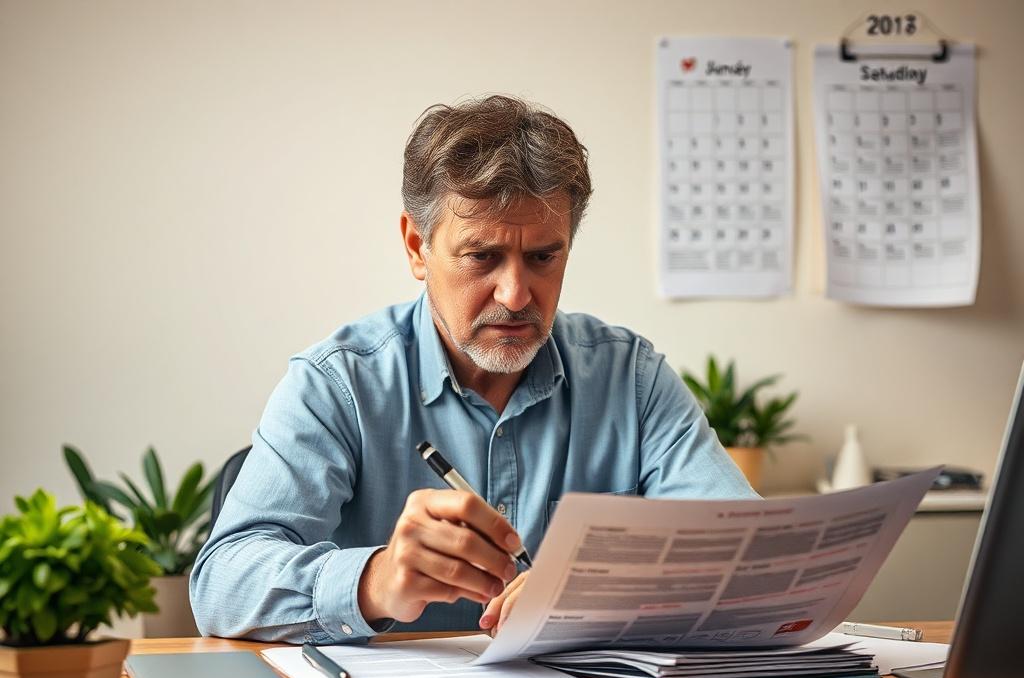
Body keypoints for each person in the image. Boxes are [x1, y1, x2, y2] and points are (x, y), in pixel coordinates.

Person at [189, 95, 757, 644]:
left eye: (543, 257)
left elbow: (751, 556)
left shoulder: (631, 379)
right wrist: (376, 581)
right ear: (417, 246)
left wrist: (601, 590)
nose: (514, 296)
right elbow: (221, 582)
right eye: (482, 256)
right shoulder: (338, 384)